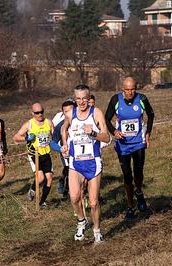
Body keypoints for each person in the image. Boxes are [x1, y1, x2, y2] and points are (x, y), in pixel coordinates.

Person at [61, 84, 110, 243]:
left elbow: (107, 138)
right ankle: (82, 221)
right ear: (75, 100)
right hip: (76, 162)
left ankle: (97, 231)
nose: (81, 102)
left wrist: (94, 133)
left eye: (84, 99)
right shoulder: (70, 114)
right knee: (74, 196)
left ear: (89, 99)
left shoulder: (96, 113)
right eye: (78, 99)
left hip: (93, 162)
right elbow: (64, 130)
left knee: (94, 202)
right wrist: (65, 145)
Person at [105, 77, 155, 221]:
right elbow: (107, 118)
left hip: (138, 142)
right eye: (127, 89)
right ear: (122, 88)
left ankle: (139, 193)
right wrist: (114, 131)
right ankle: (130, 207)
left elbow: (151, 114)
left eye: (132, 89)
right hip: (123, 145)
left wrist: (148, 133)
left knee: (138, 173)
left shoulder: (142, 99)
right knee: (127, 176)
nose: (130, 92)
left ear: (136, 87)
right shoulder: (115, 100)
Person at [13, 103, 54, 207]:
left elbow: (54, 136)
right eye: (37, 113)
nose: (40, 114)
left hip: (46, 153)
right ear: (32, 113)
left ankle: (42, 202)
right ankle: (32, 188)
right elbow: (16, 137)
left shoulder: (48, 122)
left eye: (41, 112)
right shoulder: (29, 124)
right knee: (41, 179)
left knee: (49, 179)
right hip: (34, 154)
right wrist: (26, 138)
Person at [50, 100, 77, 198]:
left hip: (82, 155)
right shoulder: (61, 125)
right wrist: (61, 149)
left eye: (71, 110)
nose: (68, 114)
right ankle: (69, 192)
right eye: (66, 112)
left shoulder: (83, 122)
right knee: (71, 175)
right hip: (67, 156)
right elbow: (52, 143)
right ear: (62, 112)